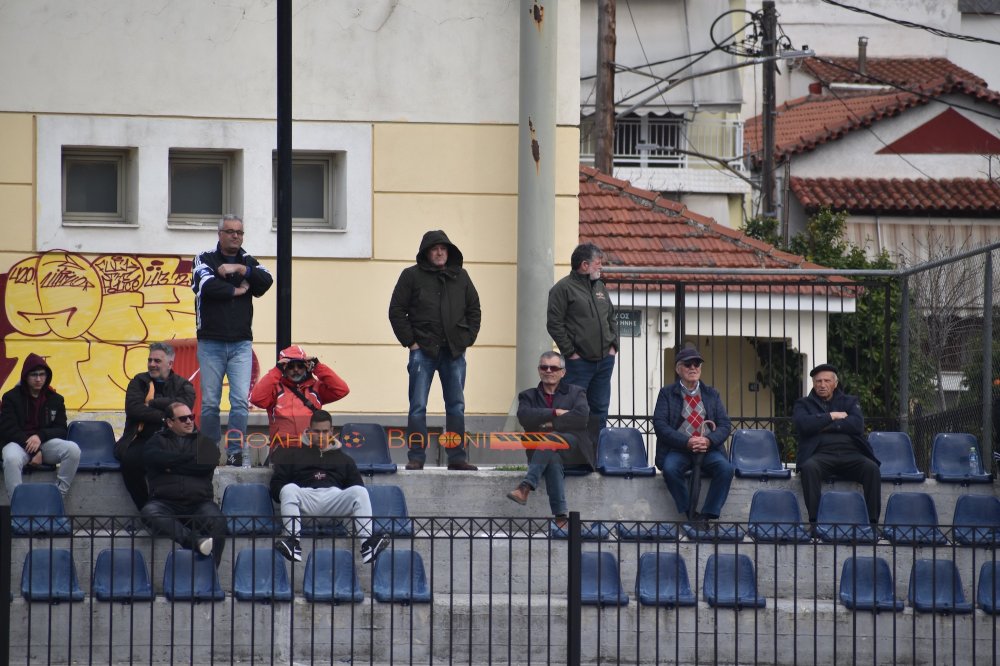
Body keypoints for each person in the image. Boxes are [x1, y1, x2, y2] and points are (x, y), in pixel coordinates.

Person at [388, 230, 481, 471]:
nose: (439, 252)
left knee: (456, 406)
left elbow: (474, 310)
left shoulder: (461, 276)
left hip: (454, 352)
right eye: (434, 248)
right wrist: (411, 342)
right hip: (422, 352)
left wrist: (466, 340)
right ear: (426, 252)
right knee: (417, 405)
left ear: (448, 252)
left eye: (443, 248)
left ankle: (457, 458)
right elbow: (396, 311)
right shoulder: (411, 276)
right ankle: (416, 457)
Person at [192, 214, 273, 466]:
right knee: (210, 404)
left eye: (239, 232)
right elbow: (205, 285)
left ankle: (236, 451)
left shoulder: (247, 259)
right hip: (211, 342)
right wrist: (235, 289)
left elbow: (266, 280)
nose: (235, 236)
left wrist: (240, 269)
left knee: (239, 402)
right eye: (230, 231)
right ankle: (210, 451)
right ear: (220, 234)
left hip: (241, 343)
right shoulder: (204, 258)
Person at [269, 410, 389, 564]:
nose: (321, 435)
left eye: (325, 431)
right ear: (309, 430)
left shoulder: (345, 459)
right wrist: (287, 494)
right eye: (317, 431)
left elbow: (355, 488)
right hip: (305, 505)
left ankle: (368, 545)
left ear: (332, 431)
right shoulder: (292, 455)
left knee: (360, 491)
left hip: (334, 505)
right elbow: (276, 486)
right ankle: (293, 543)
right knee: (288, 489)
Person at [506, 352, 591, 529]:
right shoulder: (527, 396)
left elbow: (582, 419)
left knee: (550, 438)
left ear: (563, 372)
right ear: (539, 370)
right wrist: (555, 412)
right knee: (552, 456)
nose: (549, 371)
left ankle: (526, 486)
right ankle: (561, 517)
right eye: (544, 367)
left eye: (554, 368)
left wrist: (546, 423)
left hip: (573, 450)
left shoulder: (576, 393)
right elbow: (525, 417)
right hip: (543, 453)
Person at [652, 347, 734, 524]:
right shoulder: (666, 393)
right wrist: (687, 442)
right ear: (678, 369)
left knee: (726, 469)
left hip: (708, 449)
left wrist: (708, 440)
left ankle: (707, 514)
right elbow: (660, 425)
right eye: (687, 364)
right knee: (670, 469)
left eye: (697, 364)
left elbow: (725, 425)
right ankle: (689, 511)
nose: (693, 368)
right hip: (679, 448)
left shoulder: (712, 394)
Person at [793, 364, 882, 527]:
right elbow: (803, 425)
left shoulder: (849, 401)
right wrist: (832, 416)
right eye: (818, 381)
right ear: (813, 383)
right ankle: (815, 523)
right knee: (809, 468)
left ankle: (873, 524)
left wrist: (821, 424)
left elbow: (857, 425)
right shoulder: (803, 404)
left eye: (827, 380)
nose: (822, 385)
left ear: (835, 383)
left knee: (872, 469)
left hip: (851, 454)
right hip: (820, 455)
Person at [546, 243, 618, 441]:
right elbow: (554, 324)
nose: (600, 267)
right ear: (585, 265)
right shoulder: (562, 289)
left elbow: (611, 317)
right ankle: (573, 457)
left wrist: (614, 346)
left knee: (600, 410)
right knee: (574, 410)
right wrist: (571, 353)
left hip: (604, 361)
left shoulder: (600, 287)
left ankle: (595, 457)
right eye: (598, 263)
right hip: (579, 364)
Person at [141, 402, 227, 566]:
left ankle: (211, 574)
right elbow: (152, 458)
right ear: (170, 422)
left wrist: (169, 465)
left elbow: (206, 464)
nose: (189, 421)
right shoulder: (156, 440)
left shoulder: (205, 442)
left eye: (191, 417)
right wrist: (188, 459)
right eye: (182, 418)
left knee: (218, 522)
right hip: (164, 502)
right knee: (149, 512)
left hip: (199, 503)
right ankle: (195, 542)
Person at [115, 342, 196, 509]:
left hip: (173, 440)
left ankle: (179, 512)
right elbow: (133, 410)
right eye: (150, 360)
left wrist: (152, 403)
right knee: (130, 463)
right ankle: (147, 510)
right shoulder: (139, 381)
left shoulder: (183, 385)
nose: (152, 364)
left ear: (170, 364)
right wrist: (165, 417)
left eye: (157, 361)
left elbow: (184, 408)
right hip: (140, 439)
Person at [0, 353, 80, 501]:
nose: (38, 379)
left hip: (45, 444)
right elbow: (7, 429)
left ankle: (58, 497)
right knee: (11, 458)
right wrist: (34, 450)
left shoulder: (55, 399)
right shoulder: (10, 397)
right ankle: (18, 505)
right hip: (18, 444)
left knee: (73, 450)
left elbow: (62, 429)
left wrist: (40, 437)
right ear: (25, 376)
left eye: (42, 375)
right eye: (34, 375)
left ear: (47, 376)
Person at [250, 345, 350, 451]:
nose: (296, 369)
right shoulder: (275, 389)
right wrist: (276, 371)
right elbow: (256, 399)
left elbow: (342, 390)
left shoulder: (316, 388)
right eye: (291, 366)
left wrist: (318, 367)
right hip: (284, 448)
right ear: (284, 369)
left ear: (306, 367)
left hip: (311, 447)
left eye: (300, 366)